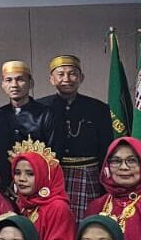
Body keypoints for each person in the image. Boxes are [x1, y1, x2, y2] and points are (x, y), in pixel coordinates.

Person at [39, 55, 115, 217]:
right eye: (60, 74)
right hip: (53, 176)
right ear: (51, 79)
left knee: (88, 220)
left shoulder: (98, 108)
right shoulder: (40, 107)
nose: (66, 79)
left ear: (81, 78)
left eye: (72, 73)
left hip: (88, 174)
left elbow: (106, 148)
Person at [9, 144, 76, 240]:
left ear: (44, 175)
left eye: (30, 173)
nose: (21, 179)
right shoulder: (21, 203)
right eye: (17, 173)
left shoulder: (58, 207)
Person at [0, 60, 54, 184]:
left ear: (31, 83)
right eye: (8, 80)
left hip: (37, 180)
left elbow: (53, 154)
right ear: (3, 85)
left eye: (20, 79)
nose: (14, 85)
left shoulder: (46, 114)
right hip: (4, 182)